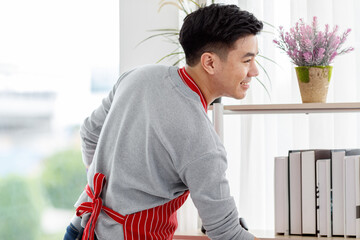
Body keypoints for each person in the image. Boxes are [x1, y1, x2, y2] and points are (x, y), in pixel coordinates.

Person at [64, 3, 263, 240]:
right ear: (209, 62)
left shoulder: (137, 77)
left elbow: (89, 133)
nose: (255, 71)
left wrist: (107, 187)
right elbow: (227, 233)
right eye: (246, 60)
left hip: (80, 227)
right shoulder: (201, 140)